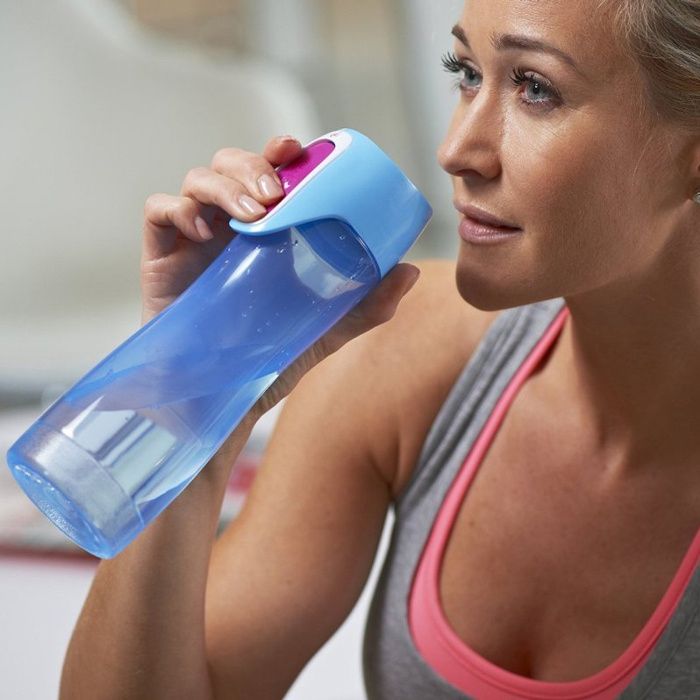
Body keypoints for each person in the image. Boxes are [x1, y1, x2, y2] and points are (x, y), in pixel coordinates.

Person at [60, 0, 700, 698]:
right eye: (467, 72)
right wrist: (194, 380)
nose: (456, 150)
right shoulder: (404, 350)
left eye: (536, 88)